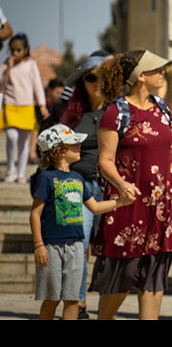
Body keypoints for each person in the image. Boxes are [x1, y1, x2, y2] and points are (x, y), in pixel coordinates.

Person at [88, 50, 172, 320]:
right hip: (127, 206)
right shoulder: (116, 112)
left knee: (154, 280)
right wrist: (121, 185)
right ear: (140, 76)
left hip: (163, 206)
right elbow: (105, 161)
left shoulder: (164, 108)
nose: (162, 72)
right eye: (156, 69)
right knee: (120, 276)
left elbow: (170, 156)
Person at [30, 124, 131, 320]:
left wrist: (120, 203)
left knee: (72, 298)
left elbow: (94, 207)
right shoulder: (45, 178)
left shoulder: (78, 178)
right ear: (59, 150)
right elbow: (35, 214)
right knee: (52, 298)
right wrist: (38, 245)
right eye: (74, 144)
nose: (79, 147)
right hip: (51, 246)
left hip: (76, 246)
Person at [58, 51, 111, 319]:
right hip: (78, 187)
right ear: (83, 81)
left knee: (107, 248)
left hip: (110, 187)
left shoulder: (118, 110)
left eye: (103, 76)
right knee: (79, 247)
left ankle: (106, 304)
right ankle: (78, 303)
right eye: (91, 77)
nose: (97, 82)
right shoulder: (72, 113)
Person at [0, 32, 48, 183]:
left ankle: (20, 173)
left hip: (26, 106)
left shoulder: (31, 65)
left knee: (23, 141)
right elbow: (1, 85)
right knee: (12, 136)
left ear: (25, 49)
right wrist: (7, 70)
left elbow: (37, 86)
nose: (15, 53)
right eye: (12, 50)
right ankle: (10, 170)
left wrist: (42, 104)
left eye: (18, 50)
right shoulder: (5, 65)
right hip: (10, 105)